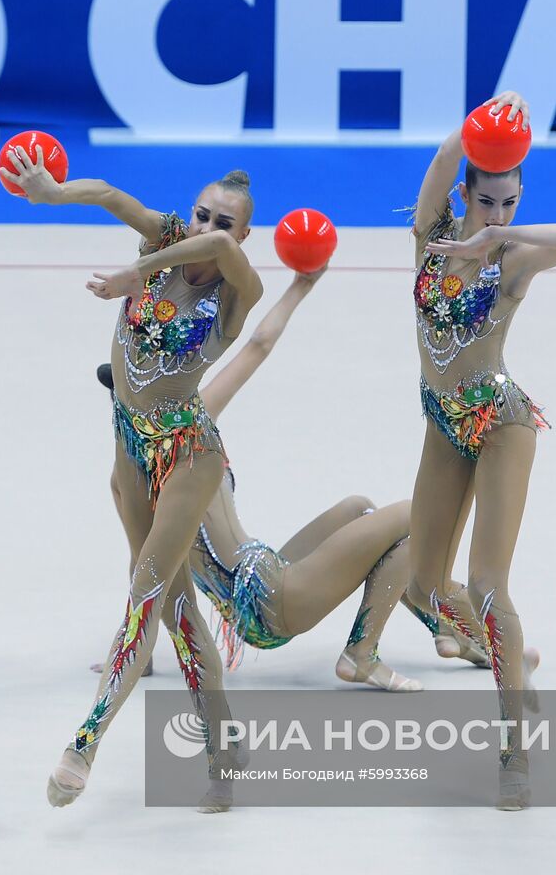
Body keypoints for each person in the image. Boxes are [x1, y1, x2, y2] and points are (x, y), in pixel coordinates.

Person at [2, 147, 264, 812]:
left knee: (144, 593)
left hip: (188, 454)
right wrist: (54, 191)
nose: (205, 227)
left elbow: (212, 251)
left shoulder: (237, 287)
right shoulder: (167, 236)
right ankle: (225, 742)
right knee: (178, 611)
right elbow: (113, 195)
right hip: (129, 448)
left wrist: (138, 271)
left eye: (223, 222)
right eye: (201, 212)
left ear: (243, 237)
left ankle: (84, 743)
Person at [91, 265, 489, 691]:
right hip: (269, 601)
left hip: (258, 581)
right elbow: (146, 567)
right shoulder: (145, 467)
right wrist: (133, 648)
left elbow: (258, 347)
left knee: (359, 508)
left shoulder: (186, 422)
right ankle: (365, 653)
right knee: (419, 515)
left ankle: (448, 632)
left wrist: (300, 285)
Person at [403, 92, 556, 809]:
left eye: (511, 203)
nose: (499, 215)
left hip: (500, 420)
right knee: (423, 587)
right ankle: (501, 651)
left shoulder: (512, 258)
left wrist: (501, 238)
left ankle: (514, 750)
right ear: (464, 196)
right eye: (488, 203)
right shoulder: (428, 235)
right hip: (442, 421)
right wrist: (480, 122)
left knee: (486, 583)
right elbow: (445, 159)